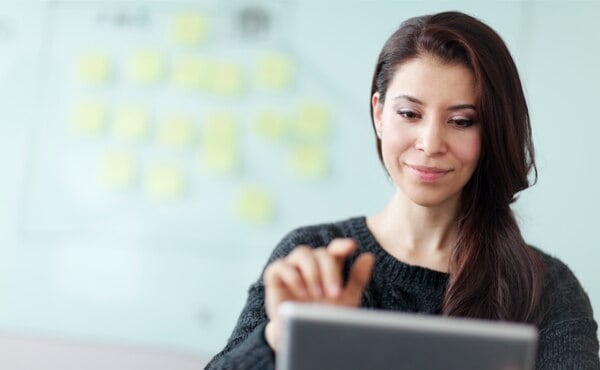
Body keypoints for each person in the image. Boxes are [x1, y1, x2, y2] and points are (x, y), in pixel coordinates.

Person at [206, 11, 600, 369]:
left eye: (461, 121)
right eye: (409, 114)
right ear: (379, 114)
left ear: (493, 131)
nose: (430, 143)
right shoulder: (314, 258)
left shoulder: (545, 287)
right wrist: (280, 336)